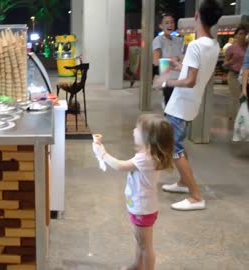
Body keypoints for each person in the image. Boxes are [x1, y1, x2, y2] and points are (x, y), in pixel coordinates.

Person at [153, 0, 223, 211]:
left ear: (196, 17)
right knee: (178, 143)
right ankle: (183, 183)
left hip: (181, 103)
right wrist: (179, 65)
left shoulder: (195, 45)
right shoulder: (214, 44)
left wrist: (165, 81)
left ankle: (195, 195)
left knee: (175, 147)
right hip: (192, 102)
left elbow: (190, 80)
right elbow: (195, 73)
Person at [92, 114, 174, 270]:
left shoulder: (146, 158)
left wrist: (102, 153)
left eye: (138, 129)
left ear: (148, 138)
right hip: (143, 206)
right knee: (140, 241)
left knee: (145, 245)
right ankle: (138, 266)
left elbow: (120, 166)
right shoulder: (149, 155)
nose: (133, 130)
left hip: (142, 209)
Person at [152, 13, 184, 106]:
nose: (170, 25)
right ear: (161, 26)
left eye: (172, 22)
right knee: (170, 105)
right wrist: (173, 59)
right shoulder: (158, 40)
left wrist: (177, 58)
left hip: (181, 77)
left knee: (180, 105)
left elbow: (183, 56)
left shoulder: (178, 40)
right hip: (168, 78)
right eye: (166, 23)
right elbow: (156, 61)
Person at [225, 26, 248, 126]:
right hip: (233, 75)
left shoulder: (247, 47)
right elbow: (224, 64)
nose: (242, 36)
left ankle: (240, 117)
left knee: (244, 97)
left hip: (245, 76)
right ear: (236, 35)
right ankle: (236, 119)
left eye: (244, 33)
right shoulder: (231, 48)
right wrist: (230, 61)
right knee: (237, 97)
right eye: (240, 33)